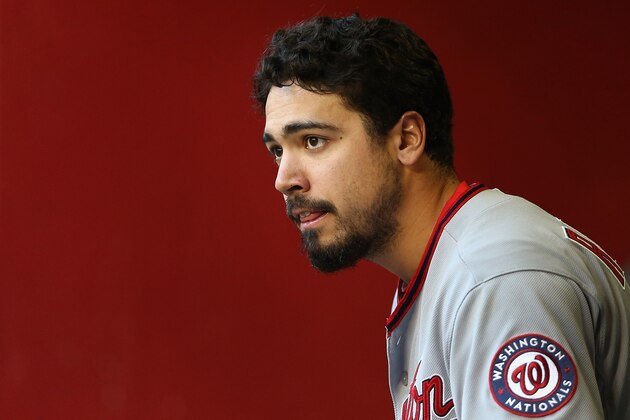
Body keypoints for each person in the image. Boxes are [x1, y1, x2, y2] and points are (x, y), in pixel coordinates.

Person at [251, 14, 629, 420]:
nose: (283, 180)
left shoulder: (496, 278)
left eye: (313, 141)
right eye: (278, 150)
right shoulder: (452, 266)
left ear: (407, 139)